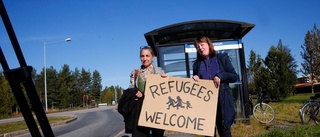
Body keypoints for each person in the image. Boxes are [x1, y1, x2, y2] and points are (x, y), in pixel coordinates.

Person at [192, 36, 238, 137]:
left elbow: (234, 76)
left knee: (225, 133)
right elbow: (196, 86)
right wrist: (195, 78)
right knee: (209, 134)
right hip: (206, 105)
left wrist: (221, 75)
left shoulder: (222, 58)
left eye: (202, 44)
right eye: (197, 46)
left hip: (222, 104)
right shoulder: (196, 64)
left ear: (209, 44)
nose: (200, 47)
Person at [127, 46, 167, 137]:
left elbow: (166, 90)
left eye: (147, 56)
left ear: (152, 57)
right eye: (142, 56)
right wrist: (135, 92)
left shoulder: (160, 71)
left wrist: (165, 80)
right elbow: (130, 89)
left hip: (156, 109)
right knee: (139, 134)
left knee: (157, 134)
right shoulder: (135, 72)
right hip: (140, 109)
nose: (144, 59)